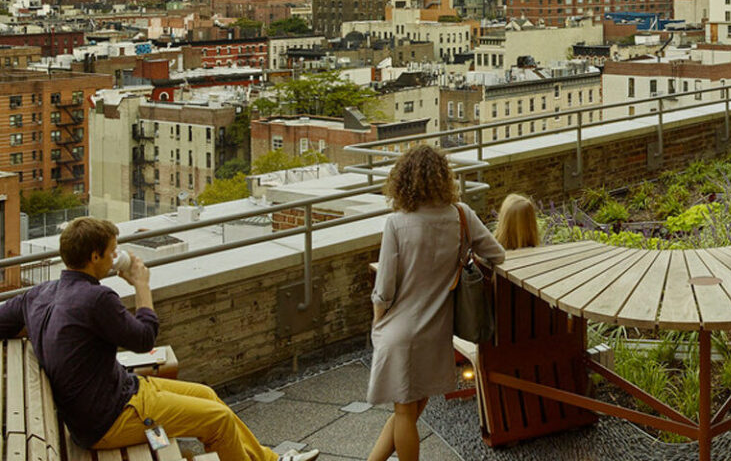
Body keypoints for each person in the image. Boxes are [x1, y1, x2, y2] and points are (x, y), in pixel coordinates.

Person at [0, 218, 316, 461]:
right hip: (112, 418)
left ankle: (270, 459)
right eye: (111, 251)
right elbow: (144, 338)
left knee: (207, 395)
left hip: (117, 393)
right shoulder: (96, 298)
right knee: (218, 420)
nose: (115, 257)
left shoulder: (38, 295)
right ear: (94, 256)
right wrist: (141, 285)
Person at [368, 145, 509, 461]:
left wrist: (378, 321)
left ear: (403, 180)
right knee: (413, 408)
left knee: (405, 412)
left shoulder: (396, 223)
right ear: (444, 178)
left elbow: (385, 288)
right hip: (437, 332)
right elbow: (496, 254)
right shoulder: (461, 216)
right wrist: (463, 255)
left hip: (400, 330)